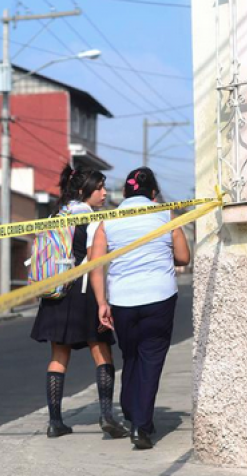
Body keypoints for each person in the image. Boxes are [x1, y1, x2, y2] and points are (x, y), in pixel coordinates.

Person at [88, 167, 191, 450]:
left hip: (122, 299)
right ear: (154, 193)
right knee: (151, 359)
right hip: (159, 296)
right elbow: (183, 256)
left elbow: (95, 265)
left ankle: (133, 412)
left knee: (131, 356)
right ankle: (140, 426)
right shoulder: (165, 214)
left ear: (125, 193)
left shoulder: (108, 221)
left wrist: (101, 303)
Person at [30, 165, 129, 440]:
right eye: (99, 187)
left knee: (58, 356)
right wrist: (102, 303)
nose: (103, 192)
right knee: (102, 351)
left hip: (56, 291)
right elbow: (94, 264)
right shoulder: (93, 219)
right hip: (83, 291)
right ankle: (107, 415)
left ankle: (55, 422)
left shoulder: (57, 215)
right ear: (85, 190)